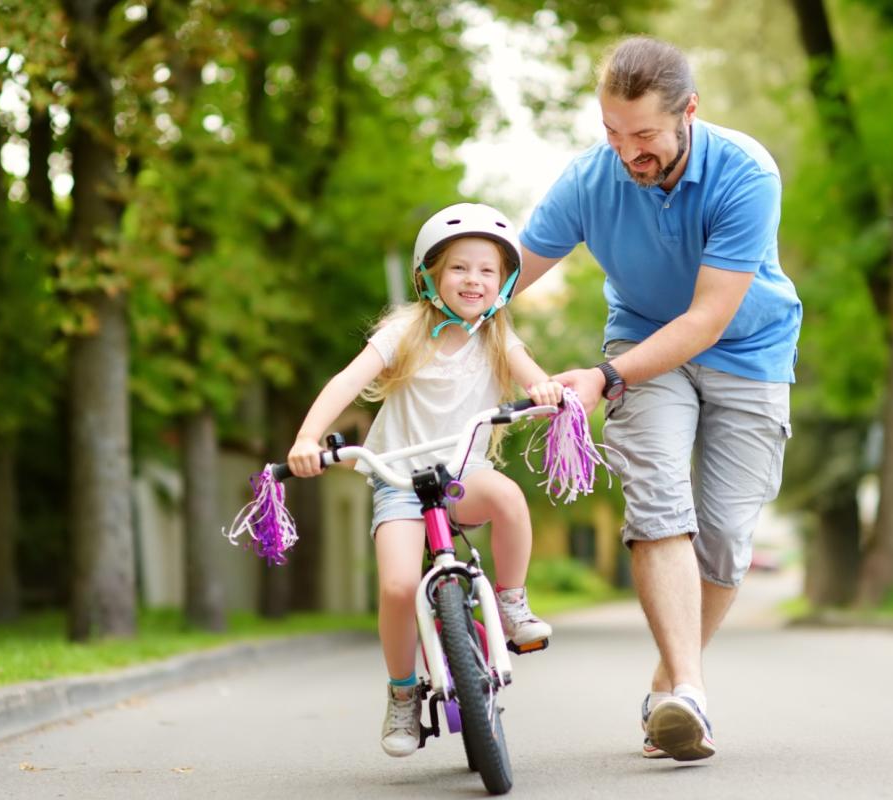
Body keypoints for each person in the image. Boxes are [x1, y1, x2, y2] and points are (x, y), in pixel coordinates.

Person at [516, 36, 802, 761]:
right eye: (612, 132)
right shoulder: (590, 179)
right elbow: (507, 272)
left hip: (748, 349)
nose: (626, 153)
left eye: (643, 135)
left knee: (728, 536)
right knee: (658, 503)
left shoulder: (745, 172)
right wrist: (440, 302)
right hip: (643, 349)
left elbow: (708, 319)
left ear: (689, 114)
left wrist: (603, 381)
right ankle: (689, 697)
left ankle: (672, 685)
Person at [286, 202, 565, 758]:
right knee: (394, 587)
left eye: (488, 270)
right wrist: (307, 438)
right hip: (399, 481)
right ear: (431, 275)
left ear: (504, 281)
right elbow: (346, 382)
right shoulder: (404, 331)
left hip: (465, 474)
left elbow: (536, 379)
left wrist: (546, 392)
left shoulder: (496, 336)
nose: (474, 280)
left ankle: (510, 603)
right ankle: (403, 692)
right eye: (460, 267)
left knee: (508, 497)